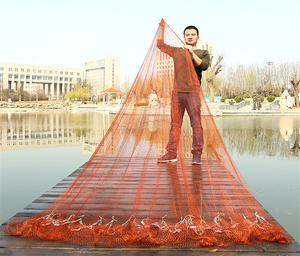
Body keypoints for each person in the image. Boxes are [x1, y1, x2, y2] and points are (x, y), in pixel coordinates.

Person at [157, 19, 210, 164]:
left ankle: (197, 154)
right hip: (177, 94)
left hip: (193, 93)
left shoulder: (203, 52)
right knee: (175, 125)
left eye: (193, 34)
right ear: (184, 37)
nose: (190, 36)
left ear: (197, 37)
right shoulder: (177, 51)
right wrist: (162, 28)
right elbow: (160, 45)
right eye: (187, 34)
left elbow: (204, 66)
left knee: (196, 125)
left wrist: (191, 53)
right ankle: (171, 153)